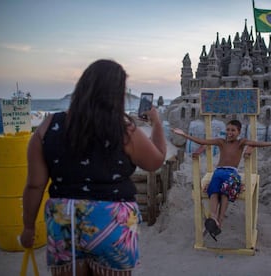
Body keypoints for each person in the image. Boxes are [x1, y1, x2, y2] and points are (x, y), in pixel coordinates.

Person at [20, 59, 166, 276]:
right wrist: (157, 124)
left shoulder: (49, 125)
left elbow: (34, 185)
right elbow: (156, 161)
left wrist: (29, 227)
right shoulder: (125, 131)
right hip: (111, 221)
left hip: (64, 221)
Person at [172, 120, 271, 239]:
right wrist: (184, 134)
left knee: (226, 190)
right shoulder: (221, 142)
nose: (230, 132)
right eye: (228, 130)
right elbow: (202, 141)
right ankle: (213, 218)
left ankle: (220, 220)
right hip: (219, 171)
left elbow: (258, 143)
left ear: (239, 132)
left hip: (231, 172)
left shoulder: (241, 142)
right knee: (213, 189)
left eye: (233, 130)